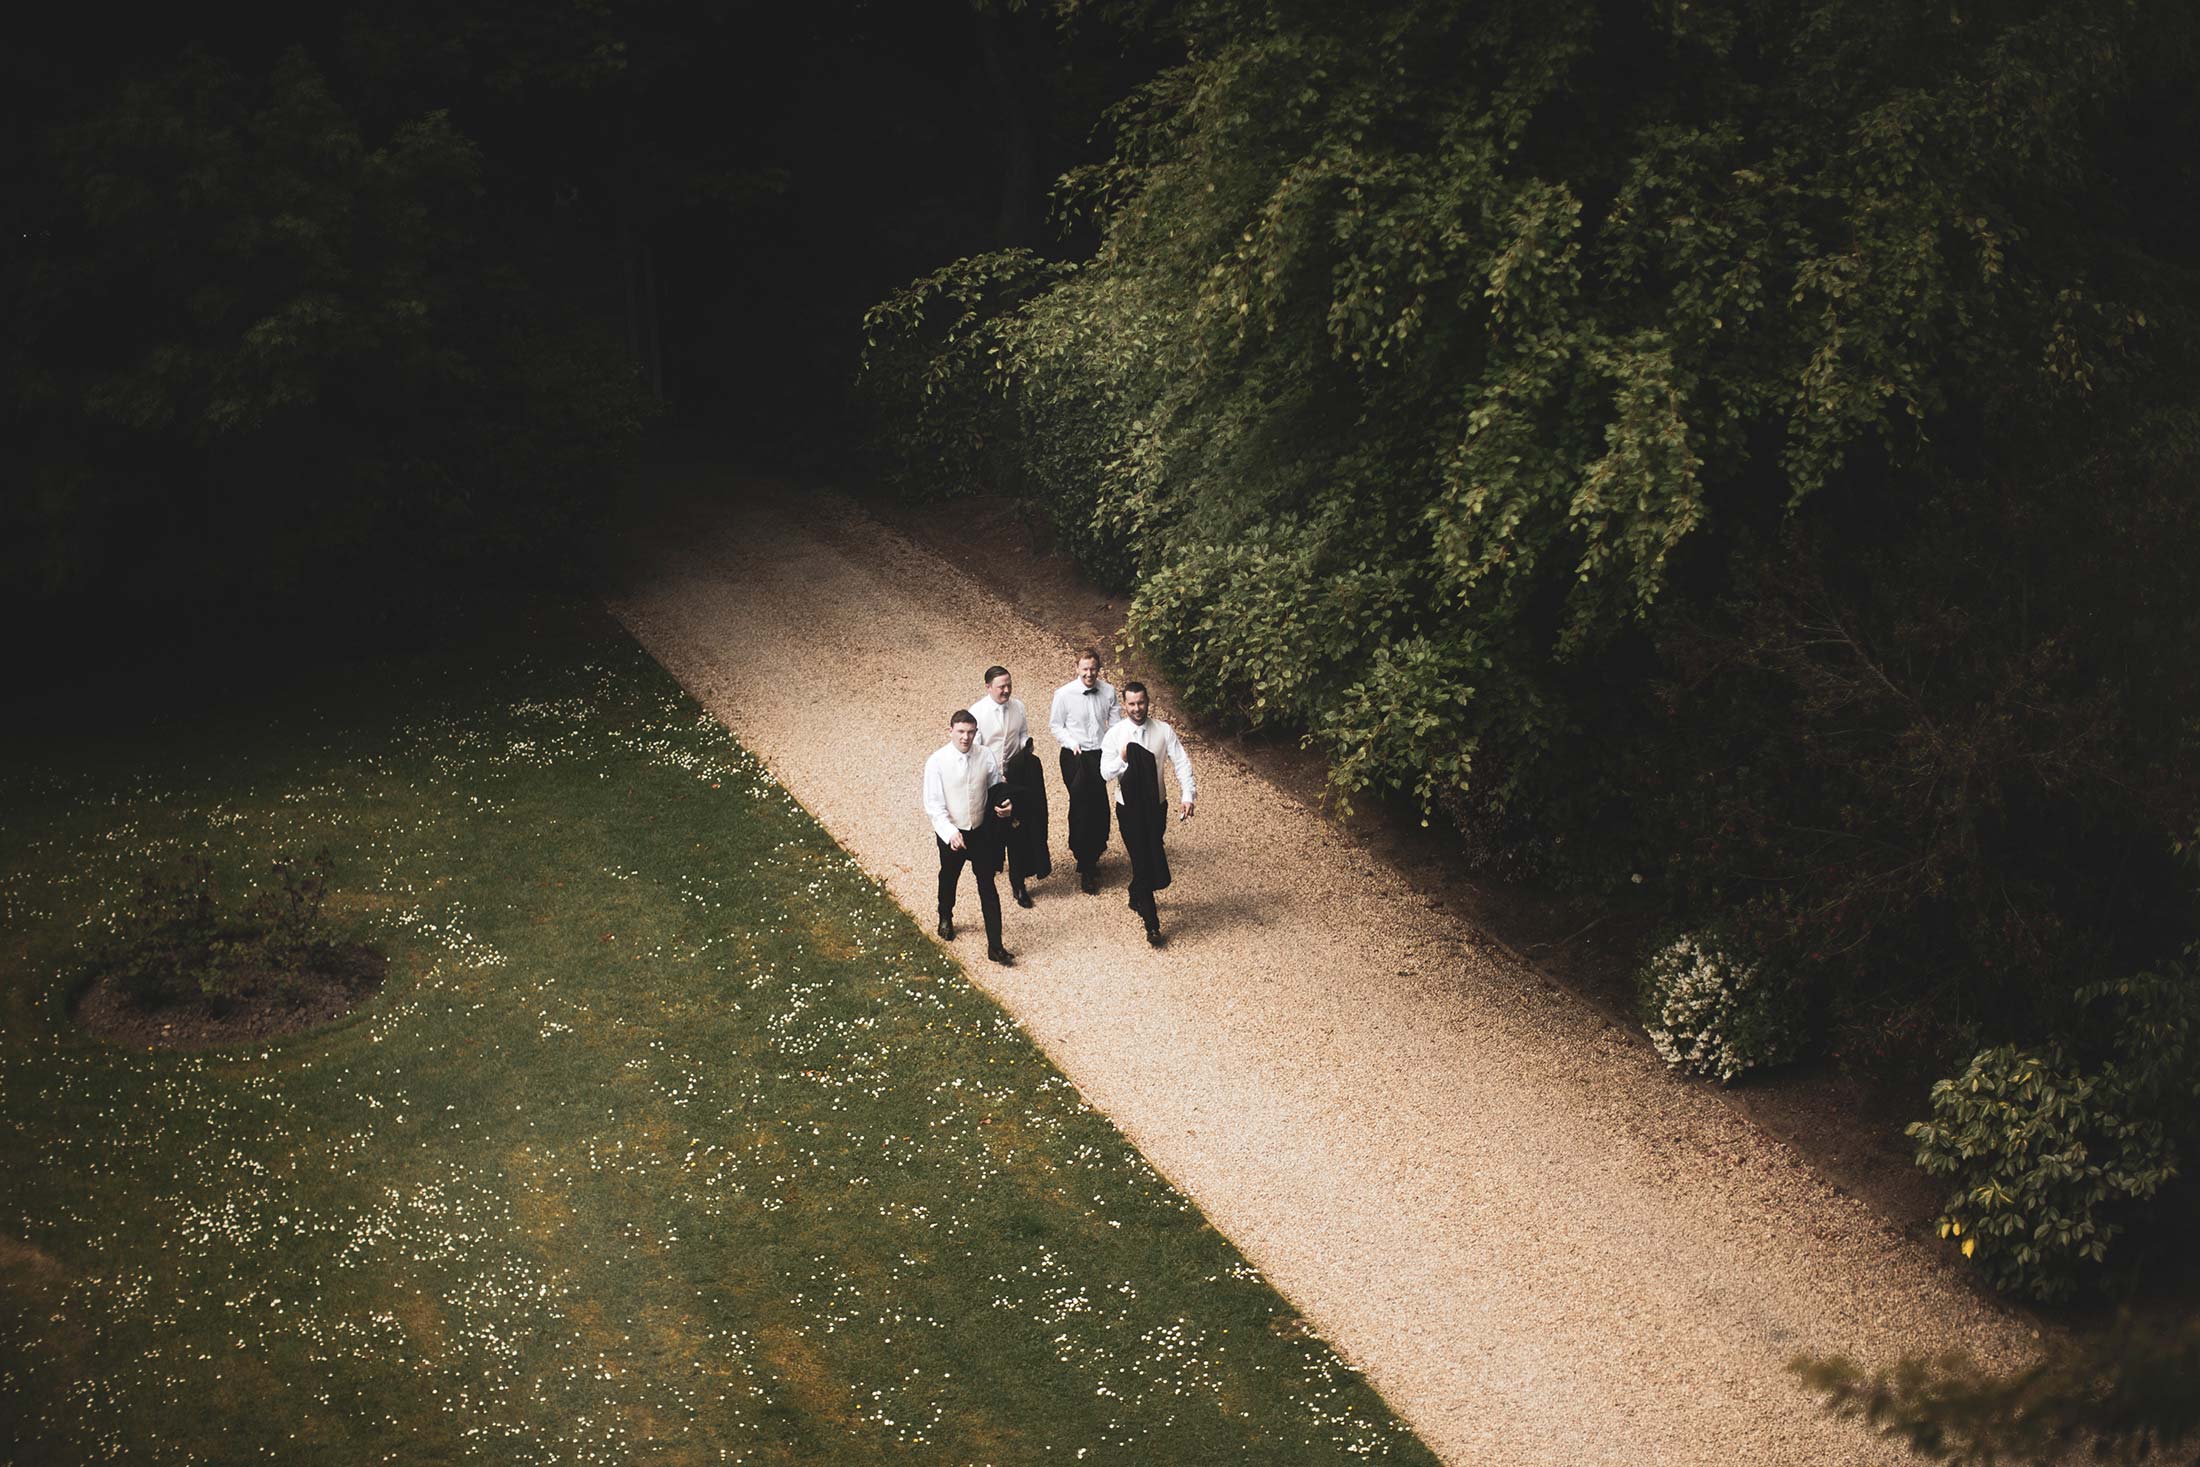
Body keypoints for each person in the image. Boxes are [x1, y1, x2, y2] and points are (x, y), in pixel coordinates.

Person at [1098, 681, 1196, 945]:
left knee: (1152, 849)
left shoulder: (1163, 730)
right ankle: (1152, 924)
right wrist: (1122, 760)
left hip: (1156, 806)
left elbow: (1181, 762)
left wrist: (1187, 795)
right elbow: (1104, 773)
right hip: (1128, 808)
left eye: (1141, 702)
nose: (1137, 708)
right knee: (1140, 858)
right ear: (1124, 705)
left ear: (1148, 701)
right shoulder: (1116, 734)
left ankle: (1135, 891)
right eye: (1131, 704)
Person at [921, 709, 1016, 965]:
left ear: (976, 732)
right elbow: (934, 805)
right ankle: (945, 915)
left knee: (988, 886)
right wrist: (950, 833)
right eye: (961, 732)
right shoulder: (937, 762)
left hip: (981, 833)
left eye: (970, 732)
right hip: (953, 832)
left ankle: (995, 946)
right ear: (950, 731)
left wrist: (1006, 806)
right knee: (949, 876)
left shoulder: (985, 755)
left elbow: (996, 788)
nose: (965, 737)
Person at [969, 665, 1050, 907]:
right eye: (1001, 686)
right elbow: (978, 751)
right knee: (993, 828)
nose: (1006, 690)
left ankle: (1018, 883)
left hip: (1016, 776)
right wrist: (995, 776)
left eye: (1009, 685)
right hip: (991, 780)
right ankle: (992, 867)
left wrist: (1027, 747)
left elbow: (1022, 734)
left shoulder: (1019, 707)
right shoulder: (977, 713)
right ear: (988, 687)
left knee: (1018, 829)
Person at [1047, 648, 1120, 894]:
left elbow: (1117, 725)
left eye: (1093, 669)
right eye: (1084, 669)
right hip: (1075, 756)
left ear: (1099, 669)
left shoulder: (1108, 691)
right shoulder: (1064, 694)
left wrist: (1112, 748)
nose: (1089, 674)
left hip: (1099, 754)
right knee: (1081, 805)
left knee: (1099, 804)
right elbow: (1056, 726)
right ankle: (1084, 861)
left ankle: (1094, 853)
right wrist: (1071, 742)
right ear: (1077, 668)